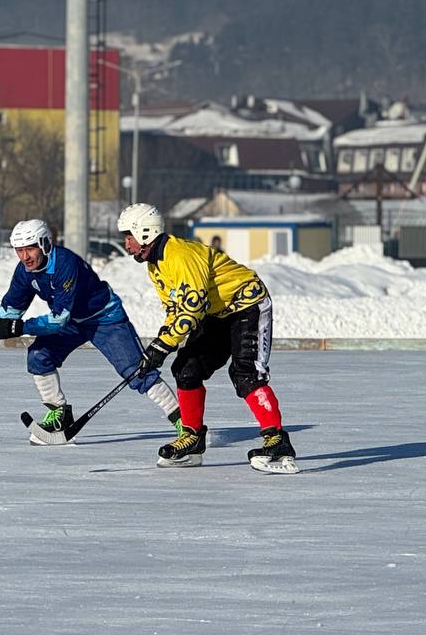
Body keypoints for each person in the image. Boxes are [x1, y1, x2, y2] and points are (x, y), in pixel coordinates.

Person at [116, 202, 298, 473]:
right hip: (217, 312)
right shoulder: (155, 265)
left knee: (246, 373)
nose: (126, 244)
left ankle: (276, 440)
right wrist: (159, 344)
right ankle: (192, 437)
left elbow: (191, 309)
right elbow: (175, 310)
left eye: (128, 236)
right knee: (186, 369)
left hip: (247, 306)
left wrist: (161, 347)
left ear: (144, 233)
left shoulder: (181, 256)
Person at [0, 218, 181, 444]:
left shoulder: (65, 263)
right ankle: (59, 415)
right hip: (73, 322)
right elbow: (12, 306)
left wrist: (19, 327)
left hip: (104, 319)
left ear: (44, 244)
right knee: (39, 355)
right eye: (19, 250)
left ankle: (184, 422)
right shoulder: (25, 271)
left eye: (30, 248)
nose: (25, 256)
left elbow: (59, 319)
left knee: (137, 371)